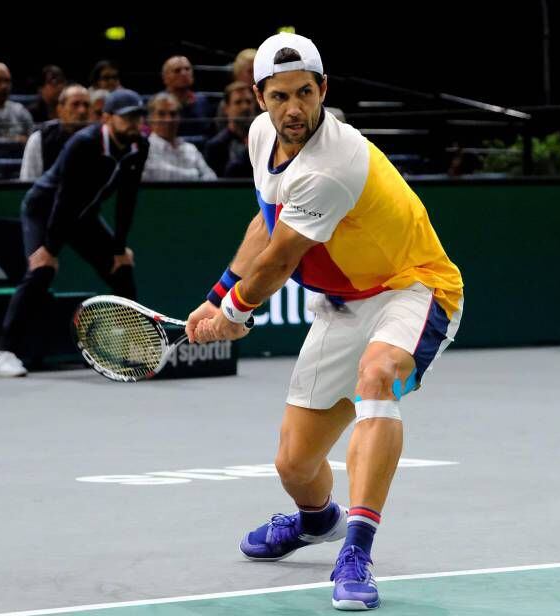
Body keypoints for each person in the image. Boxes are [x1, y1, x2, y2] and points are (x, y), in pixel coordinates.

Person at [187, 33, 463, 611]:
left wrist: (236, 312)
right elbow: (266, 226)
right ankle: (318, 522)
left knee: (379, 377)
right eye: (281, 95)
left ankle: (356, 551)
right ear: (258, 95)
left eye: (306, 94)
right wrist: (217, 297)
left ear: (323, 91)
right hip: (342, 303)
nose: (294, 109)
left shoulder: (330, 166)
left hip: (412, 289)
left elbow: (282, 260)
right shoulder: (264, 135)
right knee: (294, 463)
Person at [0, 89, 149, 377]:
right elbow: (64, 199)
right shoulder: (84, 144)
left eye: (137, 116)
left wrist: (118, 248)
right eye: (126, 118)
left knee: (122, 271)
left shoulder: (139, 146)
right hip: (45, 209)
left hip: (83, 217)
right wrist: (49, 249)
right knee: (41, 272)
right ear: (107, 118)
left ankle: (131, 349)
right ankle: (5, 353)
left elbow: (128, 198)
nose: (133, 123)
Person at [20, 84, 91, 181]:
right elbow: (28, 181)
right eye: (75, 104)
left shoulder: (99, 139)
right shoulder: (40, 138)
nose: (82, 110)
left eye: (86, 105)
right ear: (60, 109)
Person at [141, 92, 216, 181]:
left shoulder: (190, 149)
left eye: (173, 114)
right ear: (150, 119)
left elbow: (211, 178)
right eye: (161, 114)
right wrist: (194, 174)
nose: (168, 120)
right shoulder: (143, 149)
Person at [204, 81, 255, 178]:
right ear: (226, 108)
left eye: (248, 102)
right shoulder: (215, 146)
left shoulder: (264, 139)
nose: (245, 107)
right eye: (238, 102)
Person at [160, 55, 214, 136]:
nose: (184, 73)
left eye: (187, 69)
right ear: (165, 77)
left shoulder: (202, 101)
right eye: (177, 70)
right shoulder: (159, 103)